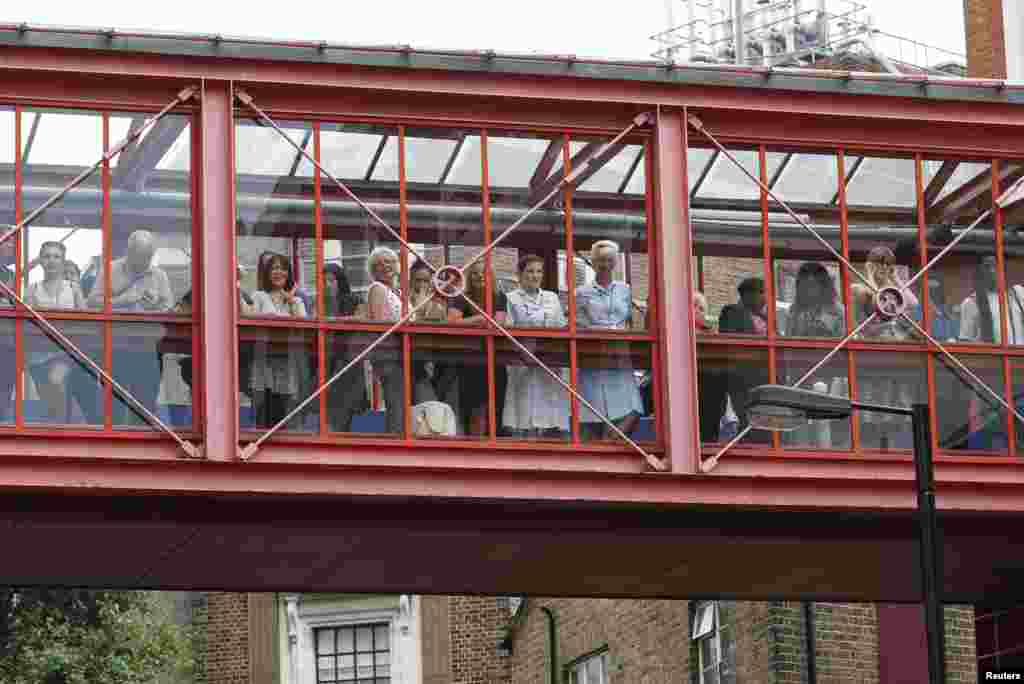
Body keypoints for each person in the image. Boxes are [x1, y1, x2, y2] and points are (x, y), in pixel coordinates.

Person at [85, 230, 172, 426]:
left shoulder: (159, 275)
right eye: (139, 258)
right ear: (129, 251)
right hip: (115, 346)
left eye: (147, 258)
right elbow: (92, 303)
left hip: (148, 348)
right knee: (113, 401)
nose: (143, 263)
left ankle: (142, 449)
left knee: (145, 403)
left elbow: (169, 311)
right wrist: (122, 300)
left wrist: (156, 306)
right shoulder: (110, 269)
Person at [574, 240, 643, 440]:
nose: (605, 265)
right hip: (594, 357)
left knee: (633, 408)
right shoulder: (581, 292)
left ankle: (610, 442)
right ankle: (601, 449)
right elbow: (576, 324)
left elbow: (629, 321)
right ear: (593, 263)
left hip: (620, 356)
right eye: (601, 260)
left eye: (609, 260)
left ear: (615, 263)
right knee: (594, 411)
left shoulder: (625, 290)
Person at [503, 254, 569, 438]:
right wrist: (525, 356)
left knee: (549, 412)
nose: (535, 275)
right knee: (526, 413)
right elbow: (507, 330)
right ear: (520, 274)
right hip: (524, 361)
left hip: (550, 362)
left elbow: (561, 328)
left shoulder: (552, 297)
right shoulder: (510, 298)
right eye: (530, 271)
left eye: (539, 271)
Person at [25, 241, 87, 423]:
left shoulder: (74, 288)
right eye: (47, 256)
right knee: (49, 399)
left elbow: (86, 321)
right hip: (38, 353)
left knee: (56, 381)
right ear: (41, 261)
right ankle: (59, 430)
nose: (51, 260)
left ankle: (63, 430)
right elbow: (25, 321)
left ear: (63, 260)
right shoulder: (32, 289)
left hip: (65, 351)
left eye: (56, 256)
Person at [247, 252, 308, 429]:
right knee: (263, 410)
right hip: (263, 360)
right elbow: (249, 319)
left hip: (288, 362)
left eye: (282, 268)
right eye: (274, 268)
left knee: (285, 411)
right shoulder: (259, 296)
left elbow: (304, 328)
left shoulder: (296, 300)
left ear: (288, 273)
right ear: (267, 273)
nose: (278, 272)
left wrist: (291, 302)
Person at [453, 260, 508, 436]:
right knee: (472, 406)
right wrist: (478, 320)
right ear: (469, 277)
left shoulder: (499, 296)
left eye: (484, 272)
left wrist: (469, 322)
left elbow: (497, 323)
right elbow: (452, 321)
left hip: (494, 358)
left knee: (495, 406)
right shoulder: (461, 297)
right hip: (470, 360)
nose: (480, 276)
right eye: (475, 273)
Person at [716, 278, 771, 444]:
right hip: (743, 379)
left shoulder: (767, 318)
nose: (765, 297)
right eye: (761, 293)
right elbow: (732, 343)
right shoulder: (732, 312)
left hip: (765, 378)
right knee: (749, 419)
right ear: (747, 295)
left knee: (765, 421)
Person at [322, 262, 367, 432]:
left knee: (348, 405)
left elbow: (361, 318)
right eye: (324, 281)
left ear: (340, 281)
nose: (327, 285)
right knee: (329, 407)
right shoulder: (319, 302)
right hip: (326, 359)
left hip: (349, 358)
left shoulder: (353, 299)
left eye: (331, 280)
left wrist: (336, 321)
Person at [366, 246, 404, 435]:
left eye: (388, 261)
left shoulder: (396, 291)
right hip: (390, 354)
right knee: (396, 402)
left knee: (400, 401)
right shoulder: (378, 288)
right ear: (373, 270)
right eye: (379, 264)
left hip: (401, 353)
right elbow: (380, 323)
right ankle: (395, 439)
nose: (384, 266)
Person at [851, 246, 918, 341]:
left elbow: (913, 303)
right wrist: (870, 274)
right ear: (870, 266)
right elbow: (876, 298)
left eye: (888, 264)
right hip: (870, 338)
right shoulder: (859, 288)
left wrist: (895, 278)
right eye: (879, 264)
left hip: (893, 337)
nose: (884, 267)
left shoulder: (893, 289)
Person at [959, 255, 1024, 344]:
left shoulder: (1018, 293)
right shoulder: (971, 302)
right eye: (987, 267)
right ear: (980, 271)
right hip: (991, 356)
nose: (992, 271)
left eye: (995, 266)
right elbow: (965, 340)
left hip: (1019, 356)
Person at [785, 262, 845, 338]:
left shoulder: (838, 311)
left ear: (824, 286)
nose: (809, 290)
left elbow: (843, 339)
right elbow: (788, 339)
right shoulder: (793, 311)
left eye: (813, 285)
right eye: (805, 285)